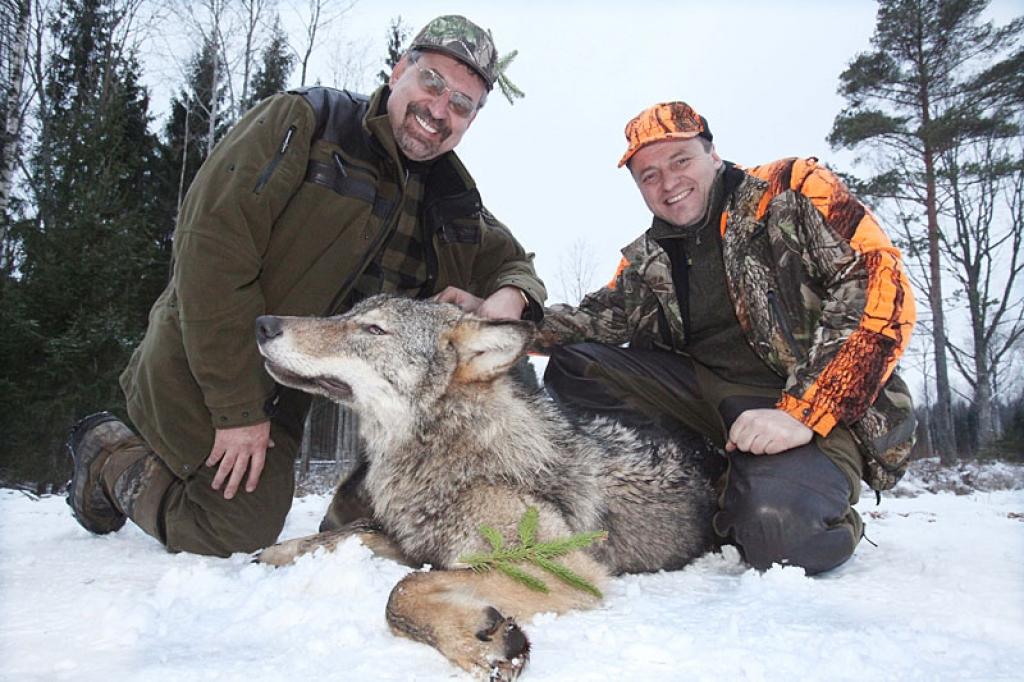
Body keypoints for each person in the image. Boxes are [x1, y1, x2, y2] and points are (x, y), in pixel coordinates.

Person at [65, 15, 546, 558]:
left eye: (462, 104)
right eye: (432, 82)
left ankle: (381, 511)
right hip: (210, 359)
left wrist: (513, 298)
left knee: (498, 359)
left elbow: (515, 263)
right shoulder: (306, 124)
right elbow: (211, 254)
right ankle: (109, 455)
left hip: (291, 387)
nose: (439, 111)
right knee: (233, 529)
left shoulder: (451, 194)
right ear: (398, 72)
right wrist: (237, 410)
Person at [445, 101, 916, 575]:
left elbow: (881, 289)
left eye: (680, 160)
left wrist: (804, 412)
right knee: (575, 365)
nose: (668, 183)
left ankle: (784, 500)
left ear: (712, 155)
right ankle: (694, 484)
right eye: (648, 175)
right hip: (708, 402)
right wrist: (495, 320)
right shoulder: (650, 257)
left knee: (779, 531)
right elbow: (594, 318)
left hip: (811, 407)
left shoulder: (791, 189)